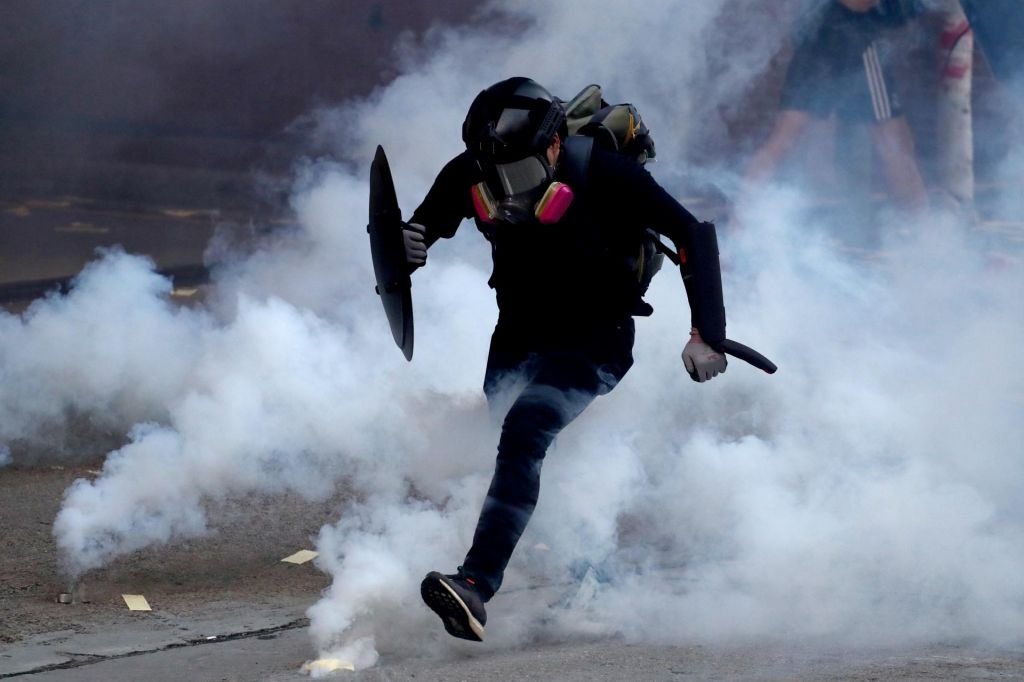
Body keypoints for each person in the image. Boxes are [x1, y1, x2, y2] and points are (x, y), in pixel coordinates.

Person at [404, 77, 729, 642]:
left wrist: (707, 332)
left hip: (595, 339)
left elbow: (692, 234)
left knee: (526, 431)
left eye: (523, 176)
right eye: (496, 180)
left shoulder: (605, 174)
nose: (508, 195)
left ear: (555, 148)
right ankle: (595, 575)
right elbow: (424, 223)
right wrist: (411, 240)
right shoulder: (477, 169)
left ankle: (476, 585)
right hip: (517, 334)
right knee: (513, 450)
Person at [742, 0, 929, 211]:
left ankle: (740, 224)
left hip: (818, 33)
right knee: (895, 143)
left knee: (784, 137)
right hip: (851, 35)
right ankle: (923, 232)